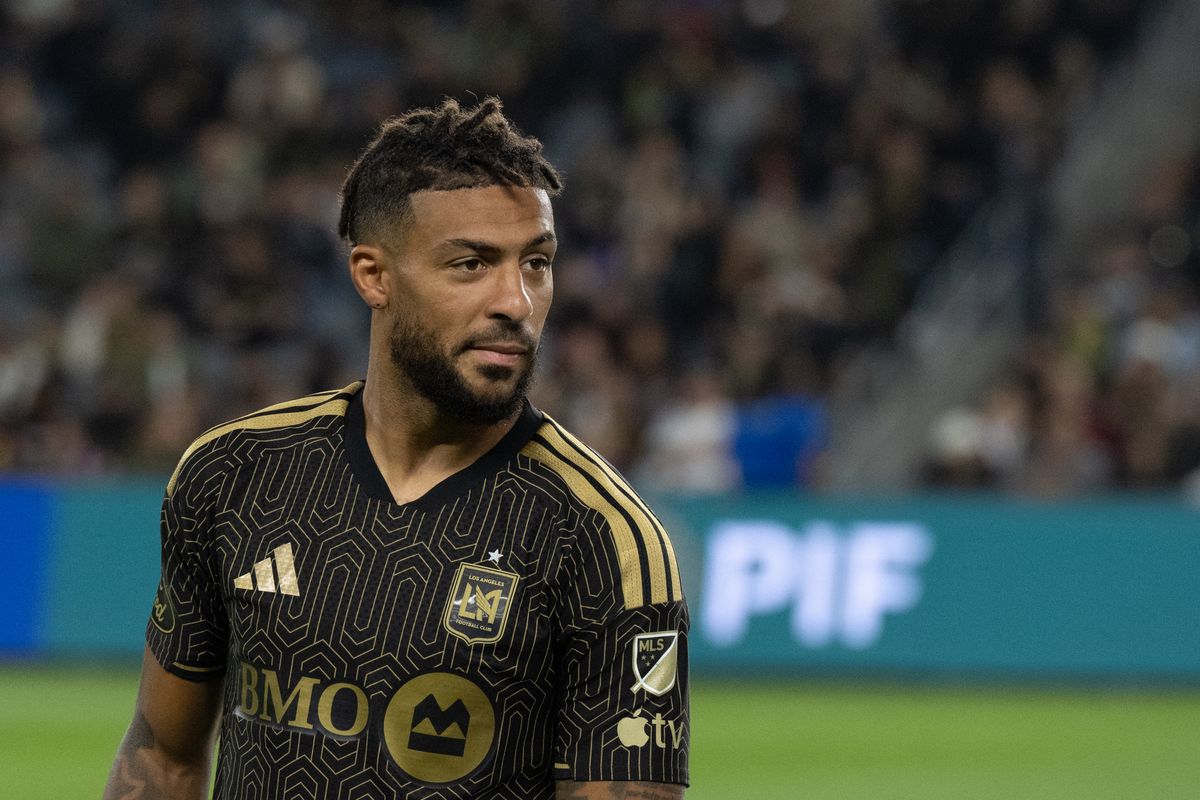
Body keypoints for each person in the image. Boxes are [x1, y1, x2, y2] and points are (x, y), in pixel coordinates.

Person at [103, 98, 689, 800]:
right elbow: (163, 756)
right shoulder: (233, 474)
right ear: (373, 276)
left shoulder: (604, 540)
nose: (518, 301)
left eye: (536, 263)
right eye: (471, 264)